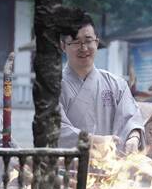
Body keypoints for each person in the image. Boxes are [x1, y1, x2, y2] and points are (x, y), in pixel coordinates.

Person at [58, 16, 145, 153]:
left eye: (88, 41)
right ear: (63, 46)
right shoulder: (53, 88)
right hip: (70, 168)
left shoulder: (116, 85)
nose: (84, 48)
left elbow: (131, 118)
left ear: (97, 43)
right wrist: (96, 140)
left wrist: (133, 138)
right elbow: (56, 130)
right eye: (76, 42)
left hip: (111, 169)